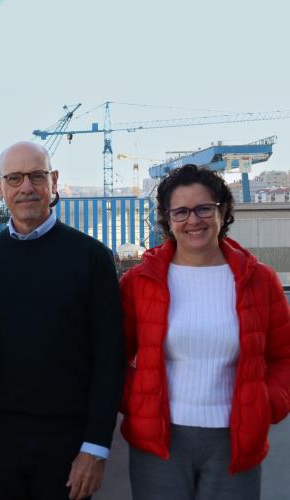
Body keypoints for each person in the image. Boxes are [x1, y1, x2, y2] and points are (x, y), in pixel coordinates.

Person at [119, 164, 290, 500]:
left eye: (203, 208)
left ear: (222, 210)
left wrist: (266, 404)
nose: (192, 220)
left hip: (236, 439)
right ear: (167, 219)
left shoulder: (260, 280)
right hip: (159, 439)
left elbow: (284, 356)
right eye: (180, 211)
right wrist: (135, 402)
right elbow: (114, 356)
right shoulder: (138, 283)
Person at [0, 141, 124, 500]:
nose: (26, 187)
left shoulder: (92, 258)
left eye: (36, 176)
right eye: (15, 178)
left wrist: (96, 447)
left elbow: (108, 358)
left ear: (53, 181)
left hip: (68, 444)